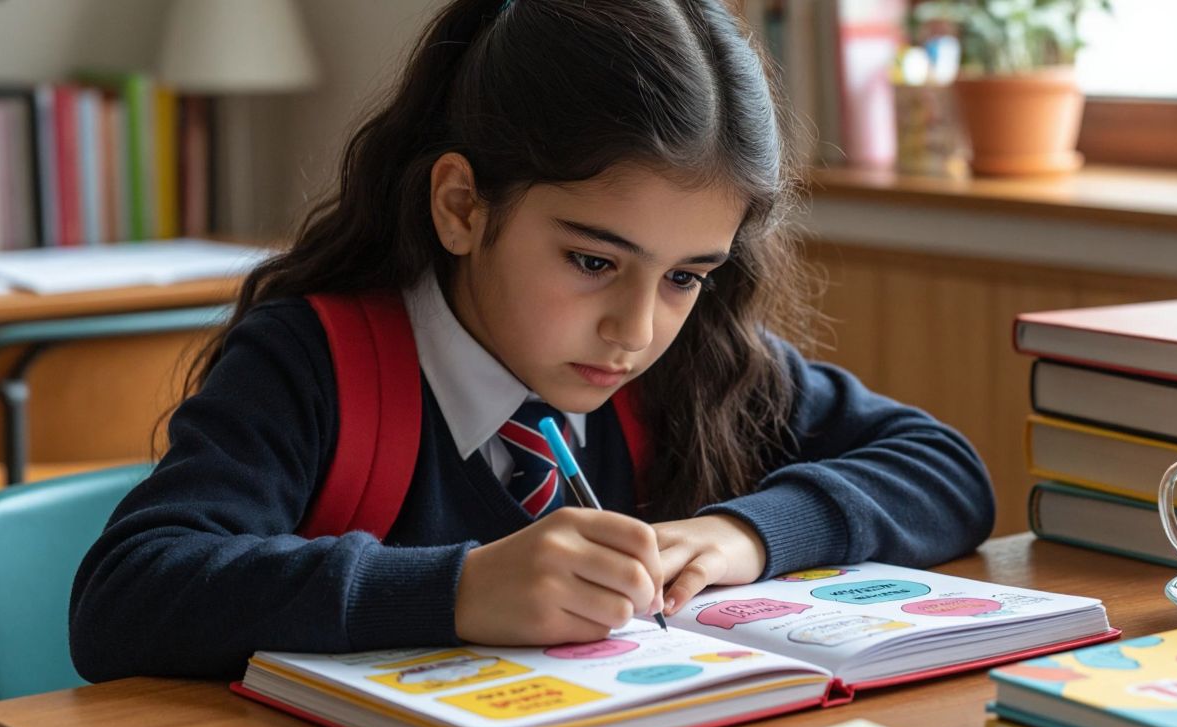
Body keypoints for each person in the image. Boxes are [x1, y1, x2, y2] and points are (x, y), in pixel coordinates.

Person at [69, 0, 994, 682]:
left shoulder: (693, 364)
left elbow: (945, 467)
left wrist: (745, 533)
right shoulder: (316, 364)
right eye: (593, 262)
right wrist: (457, 589)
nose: (637, 330)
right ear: (463, 207)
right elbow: (125, 596)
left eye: (685, 276)